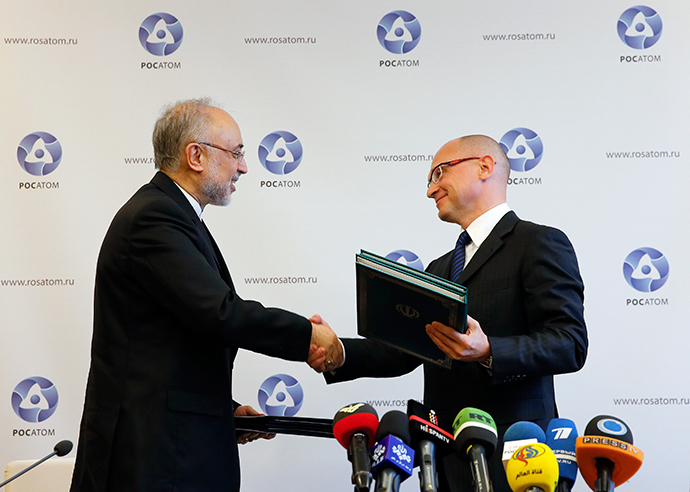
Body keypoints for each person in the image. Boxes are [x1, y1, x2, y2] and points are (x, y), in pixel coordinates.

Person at [70, 98, 341, 492]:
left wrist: (222, 411)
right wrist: (308, 336)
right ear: (195, 155)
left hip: (174, 449)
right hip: (152, 460)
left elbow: (168, 345)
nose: (244, 166)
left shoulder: (175, 215)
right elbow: (220, 313)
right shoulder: (154, 217)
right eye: (236, 153)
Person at [319, 135, 587, 492]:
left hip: (517, 459)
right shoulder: (440, 267)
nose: (431, 190)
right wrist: (339, 353)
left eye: (439, 173)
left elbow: (569, 343)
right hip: (443, 456)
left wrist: (489, 350)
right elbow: (405, 348)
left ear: (484, 167)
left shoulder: (538, 243)